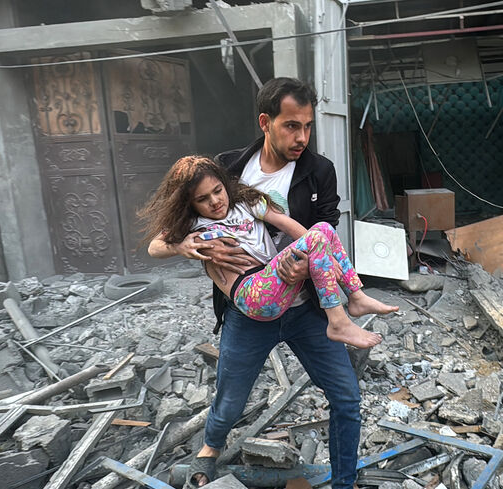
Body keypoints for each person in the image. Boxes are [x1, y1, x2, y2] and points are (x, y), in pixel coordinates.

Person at [144, 78, 379, 489]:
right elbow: (182, 230)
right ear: (265, 122)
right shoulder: (227, 169)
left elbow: (321, 231)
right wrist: (193, 250)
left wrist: (304, 268)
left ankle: (344, 483)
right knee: (230, 402)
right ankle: (210, 448)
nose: (301, 136)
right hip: (247, 311)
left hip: (306, 306)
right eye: (291, 125)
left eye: (307, 126)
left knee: (346, 399)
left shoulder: (319, 171)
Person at [142, 155, 395, 346]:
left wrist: (323, 255)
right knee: (317, 237)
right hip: (252, 294)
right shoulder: (193, 223)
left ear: (224, 184)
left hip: (274, 282)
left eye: (217, 191)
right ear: (190, 204)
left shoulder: (246, 203)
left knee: (322, 229)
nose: (215, 201)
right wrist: (180, 245)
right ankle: (338, 322)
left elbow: (289, 225)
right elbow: (154, 248)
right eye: (202, 199)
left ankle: (356, 296)